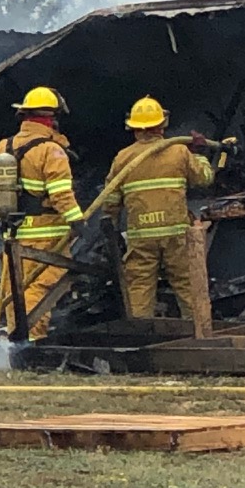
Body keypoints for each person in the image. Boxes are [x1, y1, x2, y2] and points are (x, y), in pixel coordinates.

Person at [97, 96, 215, 320]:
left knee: (139, 288)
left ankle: (142, 337)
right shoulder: (179, 152)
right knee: (188, 285)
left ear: (133, 128)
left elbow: (110, 199)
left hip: (141, 237)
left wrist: (110, 226)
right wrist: (199, 154)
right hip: (176, 234)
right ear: (162, 125)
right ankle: (200, 333)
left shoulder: (122, 158)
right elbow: (205, 178)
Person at [0, 86, 85, 340]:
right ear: (51, 118)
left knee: (14, 290)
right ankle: (30, 342)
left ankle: (17, 339)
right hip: (47, 235)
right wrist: (77, 220)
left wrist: (1, 220)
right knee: (39, 288)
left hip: (14, 233)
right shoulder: (51, 150)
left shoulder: (2, 147)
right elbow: (60, 192)